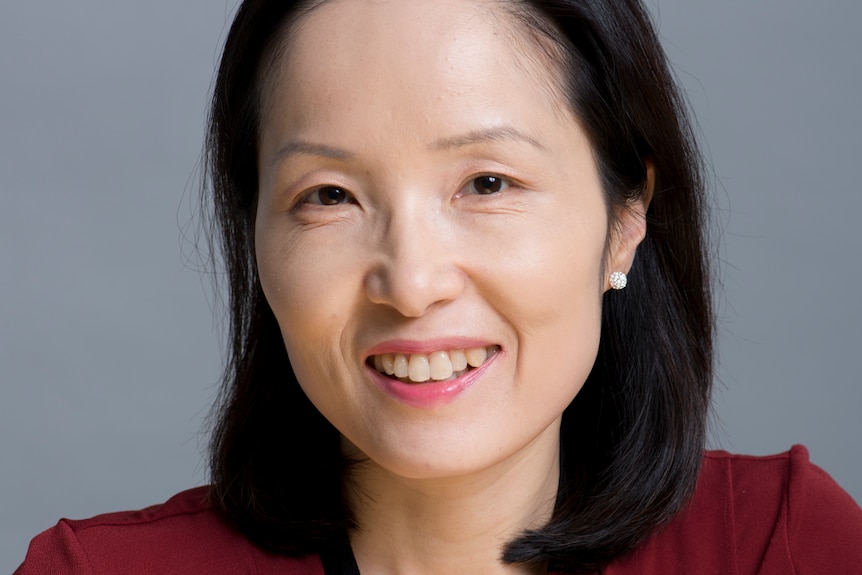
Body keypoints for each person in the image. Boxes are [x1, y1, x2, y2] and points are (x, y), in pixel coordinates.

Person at [15, 0, 862, 573]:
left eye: (487, 183)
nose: (412, 284)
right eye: (330, 197)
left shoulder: (781, 546)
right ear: (258, 237)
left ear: (627, 218)